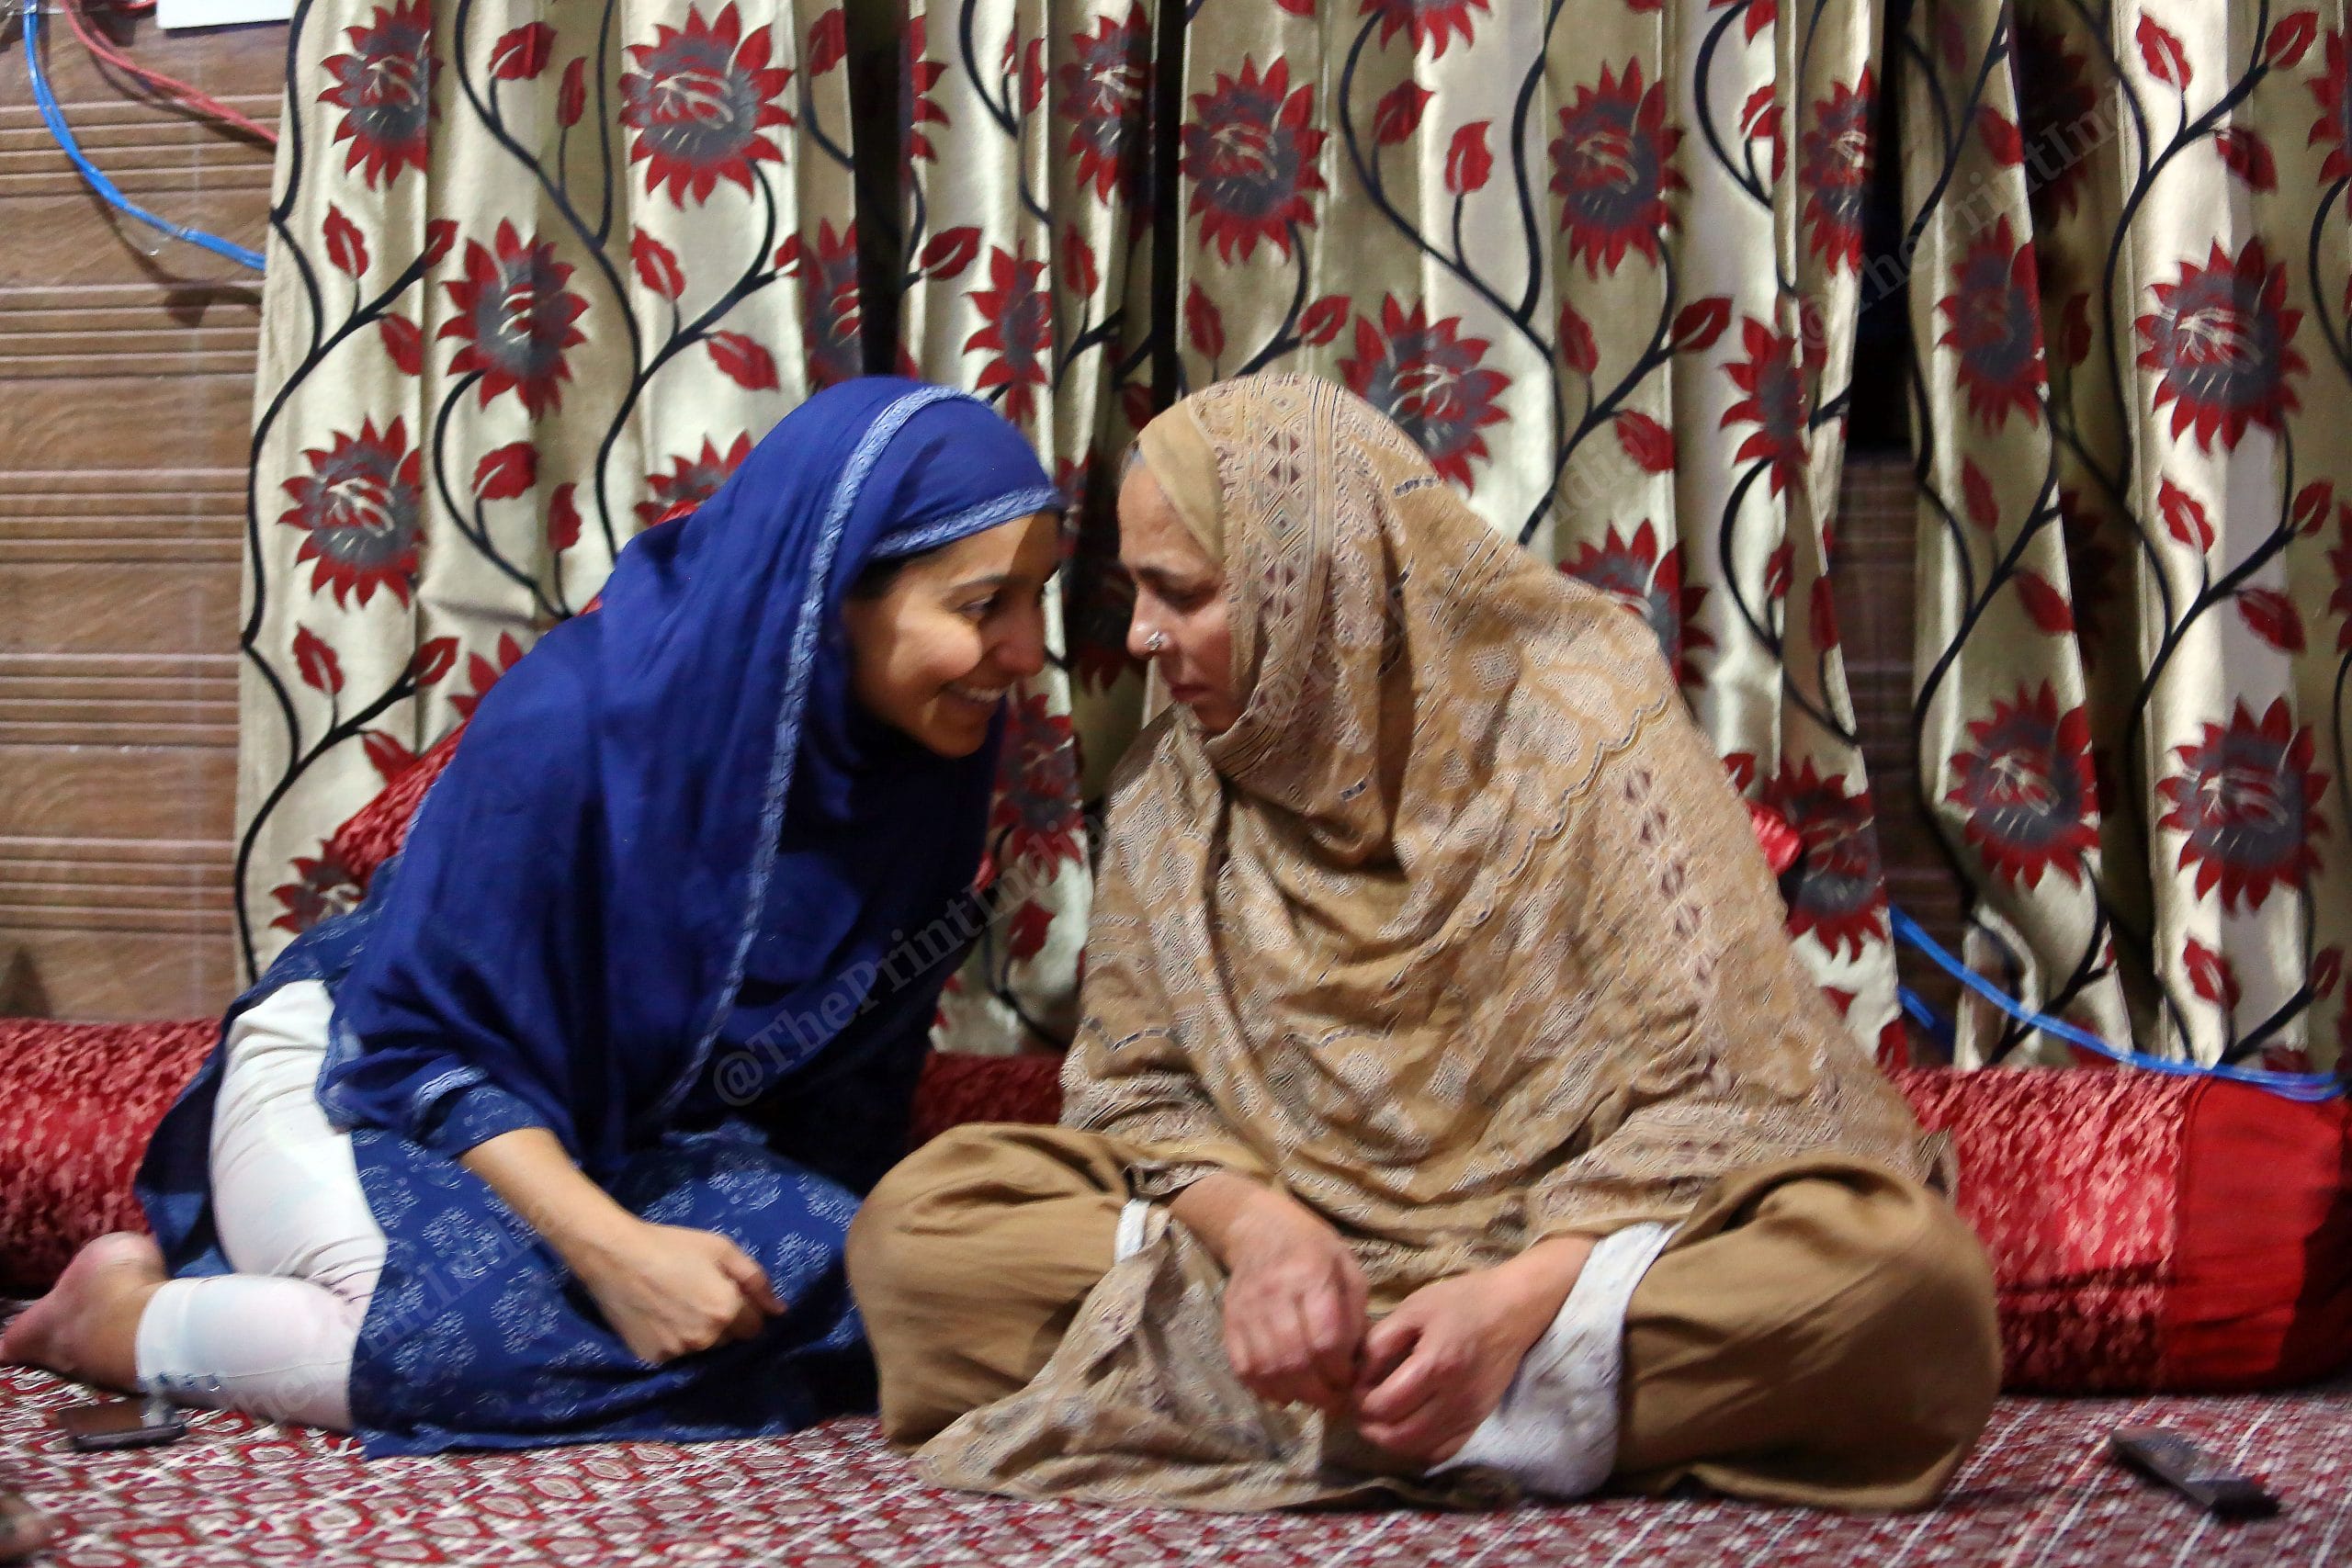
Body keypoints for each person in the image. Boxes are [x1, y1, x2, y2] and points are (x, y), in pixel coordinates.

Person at [846, 373, 2001, 1512]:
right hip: (1287, 1279)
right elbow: (1138, 1094)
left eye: (1180, 591)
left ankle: (1358, 1401)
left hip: (1579, 1268)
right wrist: (1266, 1240)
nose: (1142, 636)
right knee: (919, 1239)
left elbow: (1723, 1085)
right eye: (1137, 595)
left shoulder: (1582, 723)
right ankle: (1476, 1416)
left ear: (1316, 584)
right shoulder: (1174, 790)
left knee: (1902, 1284)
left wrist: (1514, 1304)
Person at [1, 379, 1066, 1456]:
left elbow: (842, 1109)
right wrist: (614, 1253)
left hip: (632, 1139)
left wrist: (843, 1260)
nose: (1026, 651)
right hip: (371, 1084)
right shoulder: (578, 718)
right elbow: (413, 1048)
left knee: (879, 1284)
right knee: (469, 1336)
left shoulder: (926, 780)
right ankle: (128, 1324)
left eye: (1037, 601)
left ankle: (356, 1295)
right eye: (984, 607)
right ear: (833, 592)